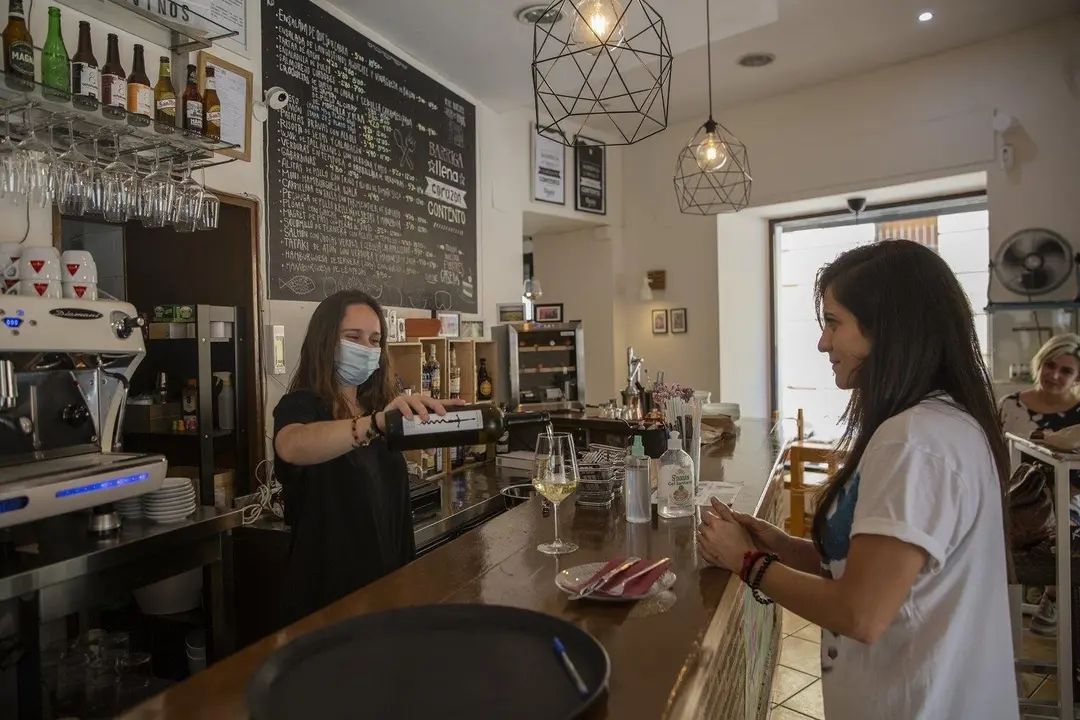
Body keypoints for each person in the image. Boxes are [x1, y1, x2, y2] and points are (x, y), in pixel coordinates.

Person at [697, 240, 1016, 719]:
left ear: (887, 329)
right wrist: (783, 546)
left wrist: (746, 561)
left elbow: (861, 613)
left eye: (833, 322)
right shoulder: (936, 423)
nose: (824, 343)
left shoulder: (915, 440)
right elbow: (881, 568)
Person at [273, 290, 459, 624]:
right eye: (352, 337)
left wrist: (440, 431)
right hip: (328, 603)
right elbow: (291, 445)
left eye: (375, 340)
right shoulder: (301, 406)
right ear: (325, 341)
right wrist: (373, 425)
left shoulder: (378, 409)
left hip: (389, 589)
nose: (367, 349)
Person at [998, 333, 1080, 636]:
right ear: (1039, 363)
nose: (1055, 375)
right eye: (1050, 365)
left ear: (1077, 375)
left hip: (1069, 502)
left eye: (1066, 370)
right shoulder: (1009, 405)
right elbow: (993, 456)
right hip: (1013, 496)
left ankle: (1053, 595)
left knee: (1064, 519)